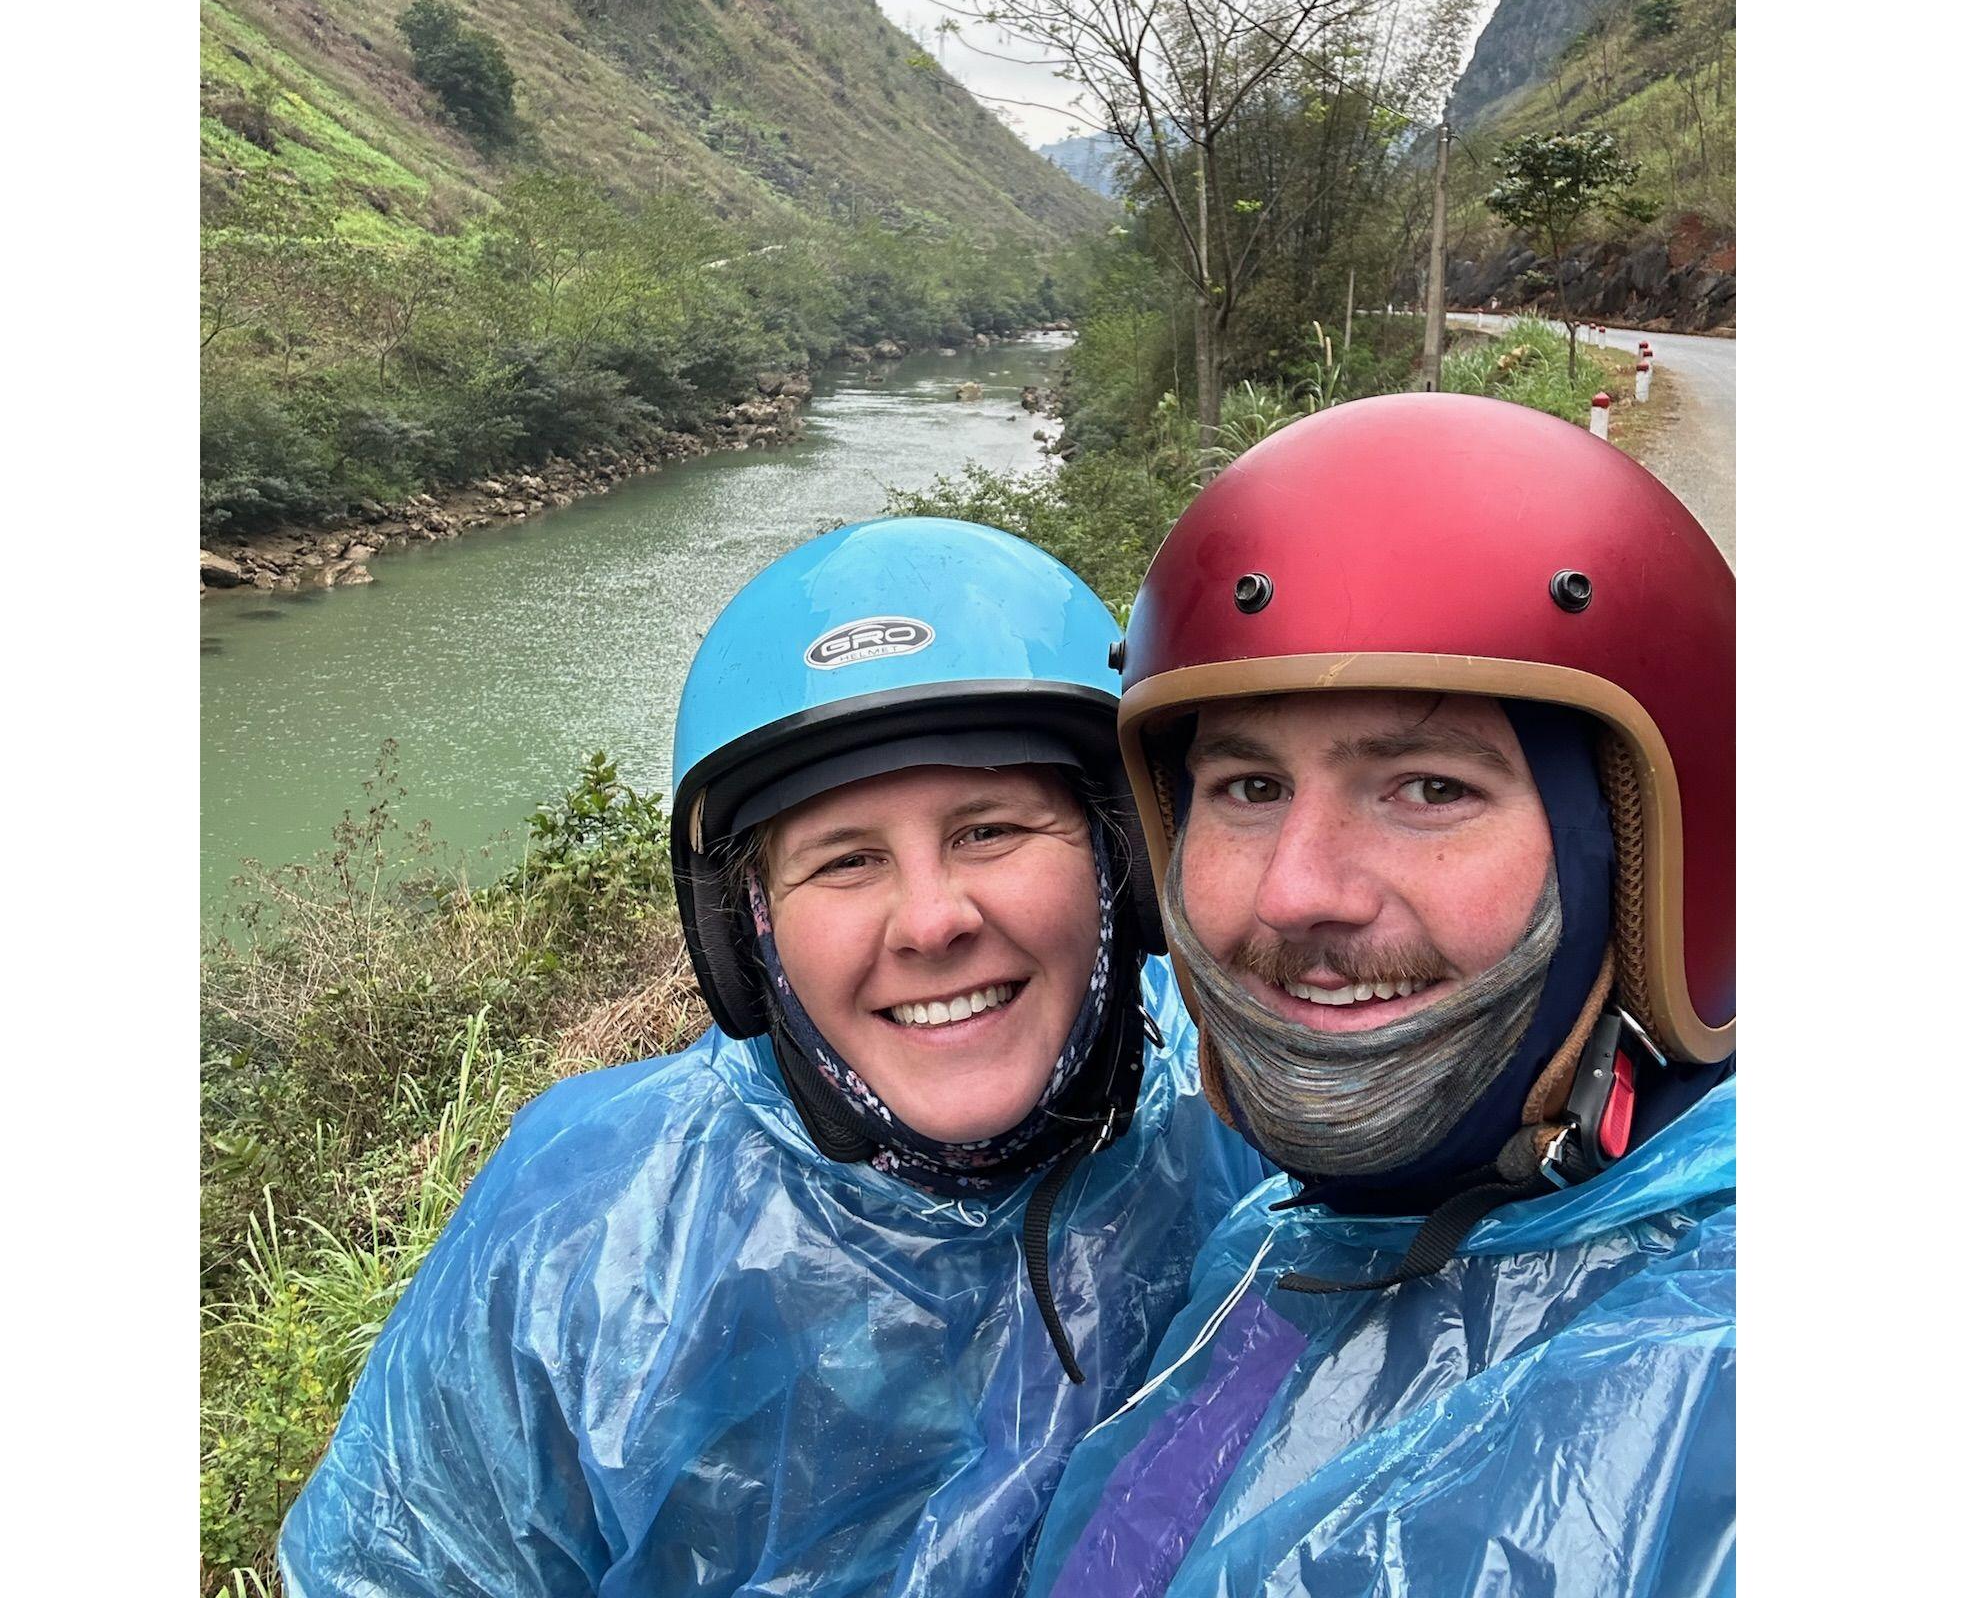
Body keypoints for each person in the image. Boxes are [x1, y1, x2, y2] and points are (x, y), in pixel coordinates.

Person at [279, 516, 1262, 1597]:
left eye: (990, 828)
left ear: (1119, 857)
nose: (930, 920)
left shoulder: (1249, 1107)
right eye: (843, 860)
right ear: (743, 932)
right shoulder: (590, 1236)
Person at [1025, 392, 1735, 1598]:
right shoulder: (1270, 1235)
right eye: (1246, 786)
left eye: (1426, 786)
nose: (1297, 891)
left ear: (1641, 862)